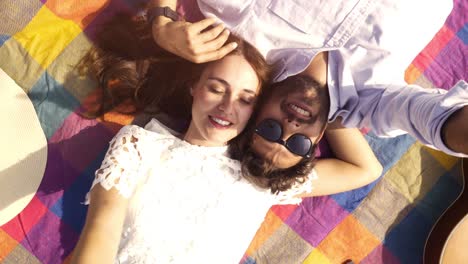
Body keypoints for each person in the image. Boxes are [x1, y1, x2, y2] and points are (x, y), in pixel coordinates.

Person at [71, 9, 382, 263]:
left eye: (246, 99)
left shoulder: (262, 175)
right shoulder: (138, 146)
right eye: (216, 88)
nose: (226, 107)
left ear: (255, 111)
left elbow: (365, 169)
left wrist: (322, 110)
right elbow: (103, 226)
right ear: (194, 87)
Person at [150, 0, 468, 177]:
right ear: (318, 139)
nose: (290, 127)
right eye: (299, 144)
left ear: (255, 109)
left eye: (271, 129)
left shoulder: (243, 19)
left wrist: (161, 24)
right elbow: (433, 120)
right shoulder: (373, 100)